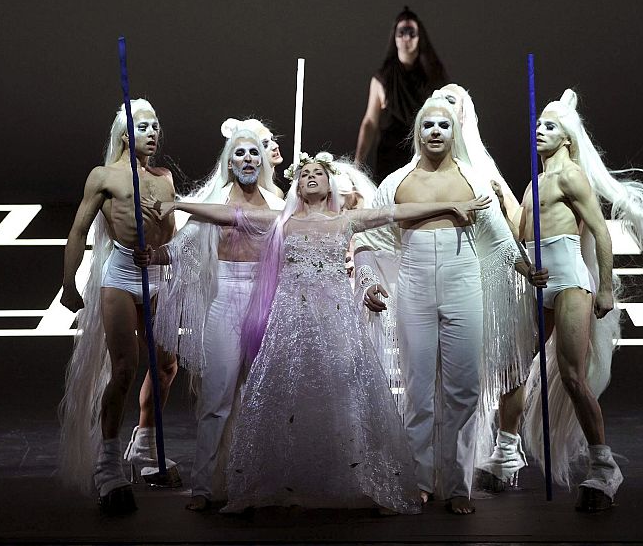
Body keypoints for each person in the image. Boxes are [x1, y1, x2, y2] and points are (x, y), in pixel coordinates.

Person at [148, 152, 492, 514]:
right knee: (288, 400)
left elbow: (398, 212)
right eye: (305, 174)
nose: (311, 177)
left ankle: (346, 479)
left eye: (319, 173)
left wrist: (452, 205)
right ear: (297, 186)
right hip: (290, 323)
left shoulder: (346, 221)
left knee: (342, 398)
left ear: (330, 185)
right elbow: (228, 214)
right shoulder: (283, 221)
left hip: (336, 321)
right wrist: (177, 205)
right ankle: (288, 479)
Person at [355, 97, 546, 514]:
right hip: (414, 283)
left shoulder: (473, 180)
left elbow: (498, 238)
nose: (436, 131)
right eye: (428, 125)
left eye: (443, 124)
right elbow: (368, 237)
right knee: (418, 387)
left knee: (464, 388)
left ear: (454, 131)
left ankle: (458, 485)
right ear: (418, 133)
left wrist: (526, 268)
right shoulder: (396, 182)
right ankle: (419, 480)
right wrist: (369, 281)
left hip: (463, 283)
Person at [520, 89, 643, 511]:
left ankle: (604, 466)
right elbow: (518, 241)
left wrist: (605, 287)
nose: (539, 130)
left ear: (567, 138)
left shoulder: (570, 176)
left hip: (570, 282)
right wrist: (524, 269)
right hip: (539, 285)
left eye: (550, 126)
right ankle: (504, 451)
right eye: (538, 124)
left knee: (572, 376)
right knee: (517, 371)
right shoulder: (533, 184)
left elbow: (601, 232)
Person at [137, 121, 284, 511]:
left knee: (261, 397)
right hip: (225, 300)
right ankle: (203, 488)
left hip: (266, 303)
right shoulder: (213, 200)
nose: (247, 159)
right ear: (229, 162)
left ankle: (257, 484)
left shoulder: (277, 205)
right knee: (216, 398)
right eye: (239, 153)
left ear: (262, 160)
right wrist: (154, 255)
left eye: (253, 153)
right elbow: (181, 247)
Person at [58, 99, 178, 514]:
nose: (153, 133)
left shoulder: (164, 179)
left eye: (156, 126)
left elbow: (171, 233)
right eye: (143, 127)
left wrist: (163, 247)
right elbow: (78, 230)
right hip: (122, 276)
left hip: (156, 275)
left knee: (166, 366)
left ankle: (144, 444)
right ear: (126, 135)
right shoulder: (104, 176)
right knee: (125, 368)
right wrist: (68, 283)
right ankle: (107, 465)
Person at [428, 85, 536, 494]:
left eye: (453, 101)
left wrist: (501, 201)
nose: (444, 108)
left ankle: (507, 448)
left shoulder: (483, 168)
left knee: (508, 364)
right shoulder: (423, 169)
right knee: (449, 370)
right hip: (450, 276)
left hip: (493, 275)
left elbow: (516, 227)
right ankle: (445, 453)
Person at [355, 6, 448, 182]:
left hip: (425, 154)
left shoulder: (434, 76)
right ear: (395, 37)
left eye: (411, 33)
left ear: (419, 37)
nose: (406, 38)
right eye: (401, 33)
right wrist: (358, 164)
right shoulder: (382, 78)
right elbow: (370, 121)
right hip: (390, 155)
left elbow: (447, 115)